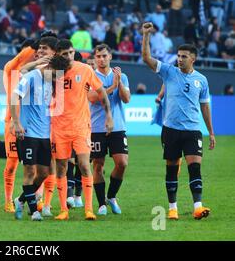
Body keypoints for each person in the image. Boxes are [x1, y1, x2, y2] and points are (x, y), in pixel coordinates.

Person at [142, 22, 215, 220]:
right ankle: (172, 208)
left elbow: (205, 107)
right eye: (179, 56)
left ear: (193, 58)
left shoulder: (202, 80)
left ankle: (197, 207)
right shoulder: (168, 71)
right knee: (172, 169)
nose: (180, 59)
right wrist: (146, 36)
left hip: (192, 130)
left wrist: (212, 133)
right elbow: (147, 58)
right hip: (171, 130)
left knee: (194, 167)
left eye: (184, 56)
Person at [51, 39, 113, 221]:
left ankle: (88, 209)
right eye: (64, 54)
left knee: (85, 165)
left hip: (81, 127)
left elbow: (101, 92)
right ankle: (63, 209)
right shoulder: (52, 72)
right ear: (58, 55)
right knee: (61, 168)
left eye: (71, 52)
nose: (69, 56)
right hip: (59, 127)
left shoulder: (85, 70)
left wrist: (109, 116)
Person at [11, 53, 70, 221]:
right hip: (27, 132)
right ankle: (34, 211)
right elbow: (14, 96)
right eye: (55, 73)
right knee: (29, 171)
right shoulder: (31, 77)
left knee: (44, 173)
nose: (57, 77)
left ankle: (20, 200)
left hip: (44, 135)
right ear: (49, 67)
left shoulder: (53, 81)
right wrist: (16, 122)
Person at [88, 45, 130, 216]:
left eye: (104, 56)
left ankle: (111, 196)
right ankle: (100, 204)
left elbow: (126, 99)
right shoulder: (90, 76)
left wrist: (118, 83)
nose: (101, 59)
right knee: (98, 165)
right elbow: (92, 98)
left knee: (122, 163)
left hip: (118, 127)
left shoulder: (122, 76)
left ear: (110, 56)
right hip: (97, 127)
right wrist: (112, 86)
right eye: (98, 56)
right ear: (95, 58)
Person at [2, 39, 38, 212]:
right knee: (12, 164)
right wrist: (34, 46)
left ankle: (34, 198)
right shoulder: (11, 69)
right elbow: (20, 58)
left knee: (37, 165)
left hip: (33, 122)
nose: (32, 55)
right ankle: (8, 200)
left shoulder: (38, 71)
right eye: (30, 52)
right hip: (13, 121)